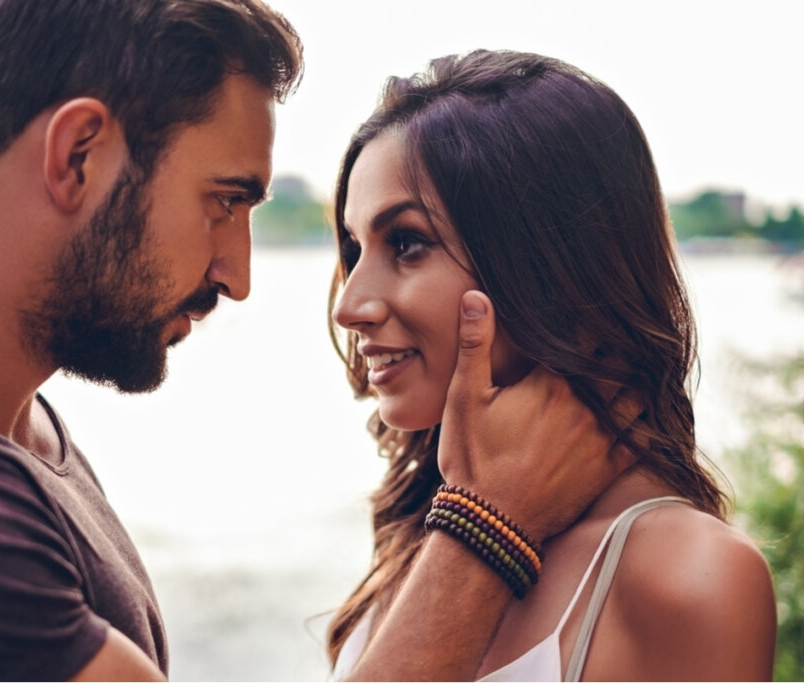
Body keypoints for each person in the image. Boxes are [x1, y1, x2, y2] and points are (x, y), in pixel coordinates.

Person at [0, 2, 626, 678]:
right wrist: (488, 526)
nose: (238, 273)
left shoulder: (8, 427)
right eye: (224, 201)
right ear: (78, 155)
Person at [326, 49, 777, 681]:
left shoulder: (687, 574)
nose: (350, 303)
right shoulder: (421, 528)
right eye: (354, 246)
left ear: (549, 264)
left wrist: (480, 524)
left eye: (406, 243)